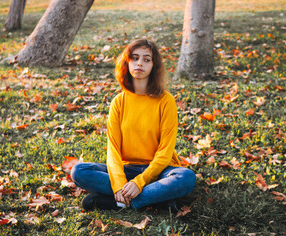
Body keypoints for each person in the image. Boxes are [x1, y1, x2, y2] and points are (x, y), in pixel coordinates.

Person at [71, 39, 196, 212]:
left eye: (146, 59)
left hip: (161, 172)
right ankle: (156, 199)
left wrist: (140, 182)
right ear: (127, 63)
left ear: (154, 66)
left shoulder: (166, 101)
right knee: (79, 171)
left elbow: (166, 151)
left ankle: (121, 202)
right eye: (135, 58)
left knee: (186, 177)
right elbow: (113, 150)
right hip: (127, 169)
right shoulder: (119, 102)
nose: (139, 63)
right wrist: (119, 183)